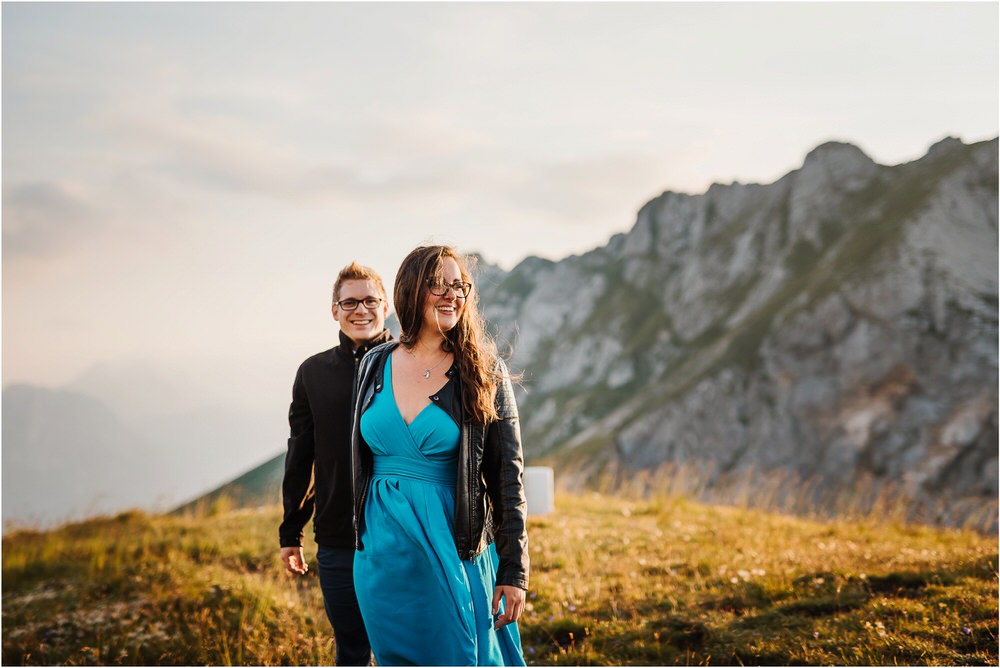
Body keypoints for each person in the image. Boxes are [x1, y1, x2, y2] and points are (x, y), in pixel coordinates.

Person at [351, 245, 529, 666]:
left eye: (459, 285)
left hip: (452, 542)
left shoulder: (481, 371)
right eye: (439, 284)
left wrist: (513, 571)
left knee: (461, 653)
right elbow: (357, 459)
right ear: (412, 289)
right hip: (381, 552)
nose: (452, 294)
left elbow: (508, 477)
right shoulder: (374, 364)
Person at [279, 261, 392, 666]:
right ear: (334, 310)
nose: (360, 310)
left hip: (403, 534)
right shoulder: (312, 373)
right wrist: (292, 529)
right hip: (338, 538)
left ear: (387, 306)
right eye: (349, 302)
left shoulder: (410, 365)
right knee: (351, 650)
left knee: (408, 650)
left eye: (369, 301)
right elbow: (301, 454)